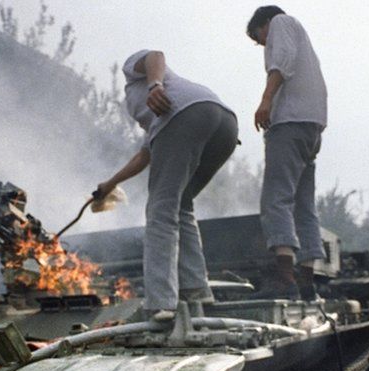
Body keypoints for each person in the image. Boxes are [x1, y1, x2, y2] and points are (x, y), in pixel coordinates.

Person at [95, 50, 238, 320]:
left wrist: (155, 85)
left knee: (160, 211)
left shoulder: (134, 76)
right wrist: (110, 184)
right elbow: (144, 155)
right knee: (181, 203)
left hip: (186, 116)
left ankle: (161, 302)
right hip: (224, 124)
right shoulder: (155, 121)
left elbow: (154, 55)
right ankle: (197, 289)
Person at [245, 6, 327, 300]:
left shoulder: (281, 22)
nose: (262, 45)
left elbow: (281, 63)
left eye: (259, 37)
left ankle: (285, 279)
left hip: (290, 123)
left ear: (264, 23)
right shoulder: (304, 42)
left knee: (276, 199)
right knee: (304, 206)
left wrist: (266, 100)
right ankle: (307, 283)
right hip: (312, 128)